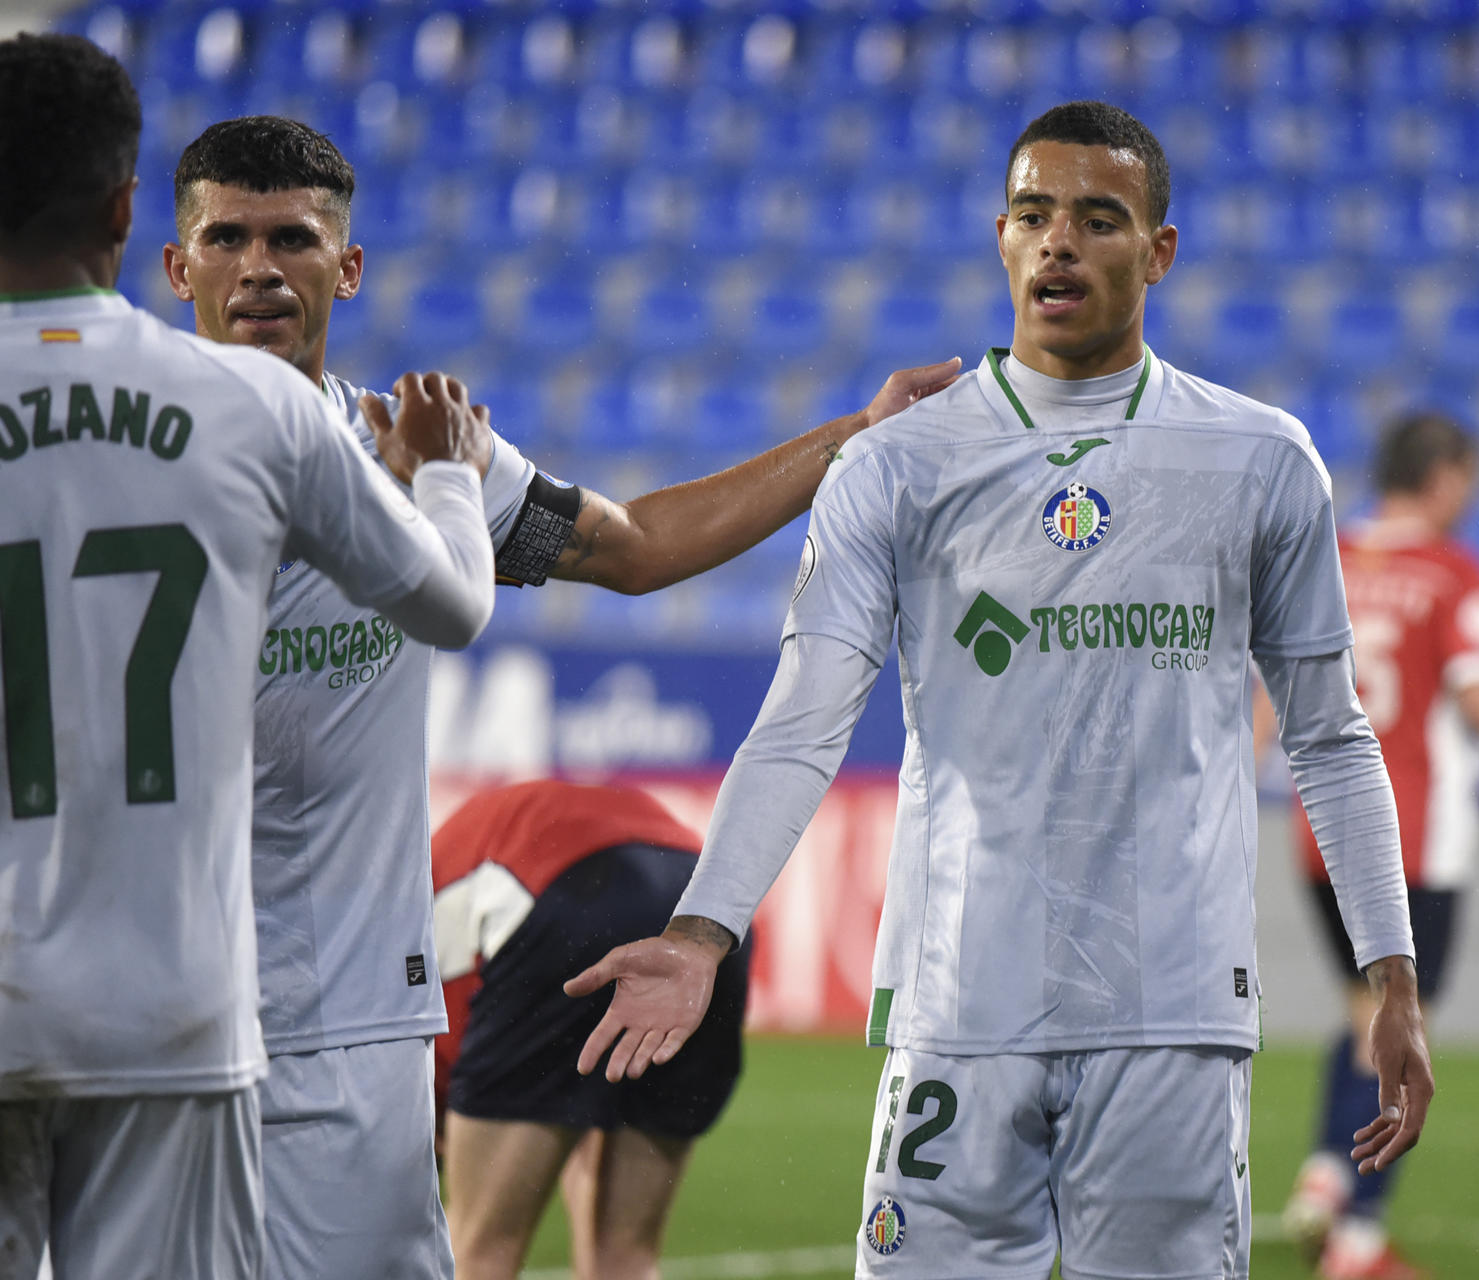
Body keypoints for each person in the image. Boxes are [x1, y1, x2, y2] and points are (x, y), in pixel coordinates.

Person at [565, 100, 1433, 1279]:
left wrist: (1392, 972)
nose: (1059, 242)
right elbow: (803, 718)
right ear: (1002, 235)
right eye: (1034, 214)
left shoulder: (1259, 458)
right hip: (959, 1003)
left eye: (1097, 217)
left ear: (1159, 252)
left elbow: (1330, 738)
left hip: (1171, 1011)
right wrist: (701, 928)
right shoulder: (894, 464)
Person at [161, 115, 958, 1280]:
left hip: (353, 1026)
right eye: (226, 237)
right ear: (177, 265)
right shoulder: (116, 450)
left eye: (294, 236)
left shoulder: (423, 446)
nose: (261, 268)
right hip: (159, 995)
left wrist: (856, 436)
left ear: (351, 264)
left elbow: (633, 546)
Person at [0, 35, 497, 1279]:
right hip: (171, 995)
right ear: (132, 217)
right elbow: (451, 602)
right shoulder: (259, 407)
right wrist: (442, 476)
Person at [1276, 412, 1479, 1280]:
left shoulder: (1328, 557)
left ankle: (1330, 1178)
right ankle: (1358, 1233)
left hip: (1319, 832)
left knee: (1361, 1013)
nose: (1473, 495)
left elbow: (1276, 691)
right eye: (1470, 477)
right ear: (1442, 475)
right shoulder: (1452, 574)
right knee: (1404, 1024)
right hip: (1410, 839)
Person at [429, 780, 751, 1280]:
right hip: (703, 911)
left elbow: (433, 1078)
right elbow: (566, 1096)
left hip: (569, 893)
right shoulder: (464, 846)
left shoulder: (408, 917)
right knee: (626, 1257)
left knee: (479, 1249)